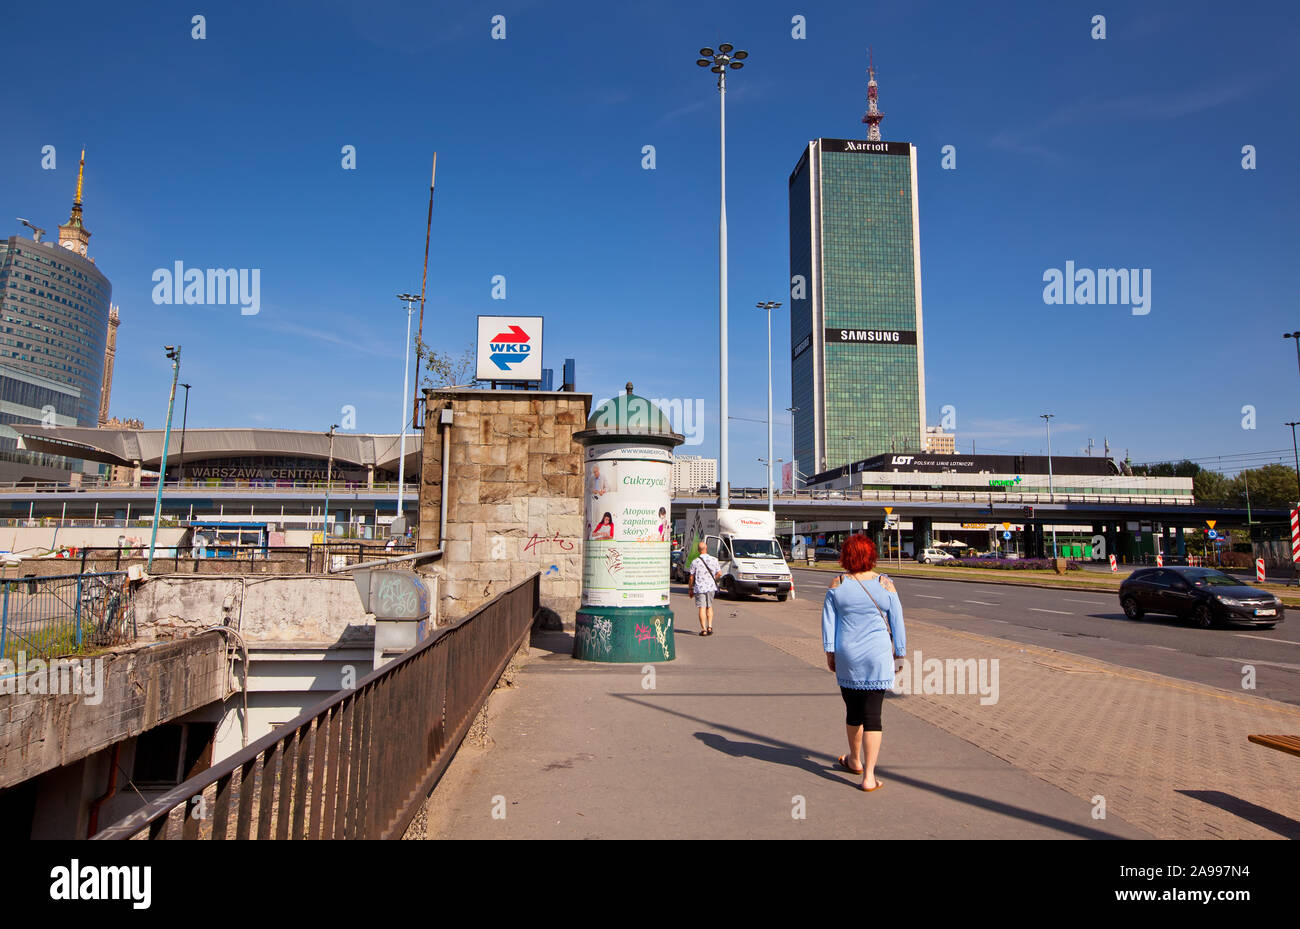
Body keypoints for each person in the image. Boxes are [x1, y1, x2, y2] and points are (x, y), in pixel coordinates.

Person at [822, 533, 906, 792]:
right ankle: (869, 776)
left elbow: (828, 624)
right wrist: (899, 652)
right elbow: (897, 622)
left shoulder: (837, 585)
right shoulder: (886, 584)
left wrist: (830, 653)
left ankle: (854, 760)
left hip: (848, 655)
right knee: (873, 716)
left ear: (845, 556)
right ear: (872, 555)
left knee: (853, 711)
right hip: (878, 656)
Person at [687, 538, 722, 636]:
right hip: (711, 587)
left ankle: (703, 629)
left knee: (701, 607)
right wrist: (713, 578)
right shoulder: (714, 560)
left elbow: (691, 577)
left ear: (698, 550)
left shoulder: (695, 562)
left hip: (700, 587)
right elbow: (719, 573)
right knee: (709, 606)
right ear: (706, 548)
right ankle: (710, 626)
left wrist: (690, 588)